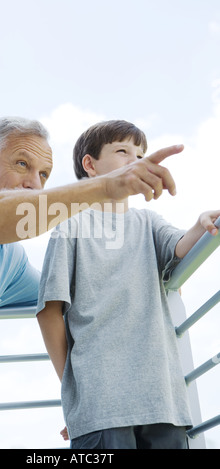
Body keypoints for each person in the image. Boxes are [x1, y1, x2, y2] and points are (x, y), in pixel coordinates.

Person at [0, 115, 197, 449]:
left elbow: (79, 291)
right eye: (23, 164)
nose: (34, 184)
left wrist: (160, 275)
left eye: (44, 175)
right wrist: (107, 188)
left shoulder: (9, 261)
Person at [36, 119, 220, 449]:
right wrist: (73, 392)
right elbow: (49, 311)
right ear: (90, 165)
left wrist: (202, 223)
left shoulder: (148, 221)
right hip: (101, 404)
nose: (135, 160)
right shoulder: (71, 226)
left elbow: (179, 245)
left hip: (163, 401)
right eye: (122, 151)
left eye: (140, 154)